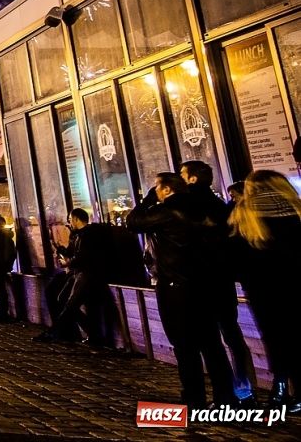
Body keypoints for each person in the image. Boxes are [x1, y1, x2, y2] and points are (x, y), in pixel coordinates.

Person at [127, 172, 236, 407]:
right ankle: (226, 398)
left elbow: (133, 222)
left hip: (176, 286)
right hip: (206, 285)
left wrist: (147, 200)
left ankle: (194, 398)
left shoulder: (165, 211)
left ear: (167, 190)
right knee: (212, 344)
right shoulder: (205, 208)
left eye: (157, 187)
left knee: (185, 346)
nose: (155, 191)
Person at [179, 160, 255, 400]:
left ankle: (227, 393)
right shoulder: (221, 207)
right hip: (221, 282)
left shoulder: (186, 206)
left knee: (210, 341)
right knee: (232, 336)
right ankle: (245, 389)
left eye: (182, 174)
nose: (179, 178)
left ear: (192, 179)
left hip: (200, 282)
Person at [228, 170, 301, 410]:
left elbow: (235, 257)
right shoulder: (297, 209)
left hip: (262, 288)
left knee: (276, 337)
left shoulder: (244, 213)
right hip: (296, 283)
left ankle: (280, 390)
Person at [37, 207, 111, 345]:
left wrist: (67, 262)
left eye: (70, 220)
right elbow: (74, 253)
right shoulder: (77, 234)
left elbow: (82, 256)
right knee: (62, 299)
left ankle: (53, 333)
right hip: (79, 272)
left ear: (76, 219)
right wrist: (61, 250)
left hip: (88, 273)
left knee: (70, 303)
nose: (69, 223)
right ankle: (93, 334)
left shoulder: (90, 233)